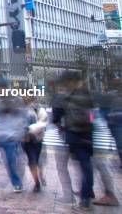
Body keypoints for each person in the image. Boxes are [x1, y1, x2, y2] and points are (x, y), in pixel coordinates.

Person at [52, 72, 94, 210]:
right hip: (87, 134)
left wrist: (61, 127)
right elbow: (93, 114)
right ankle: (87, 195)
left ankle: (77, 198)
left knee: (64, 166)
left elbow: (56, 118)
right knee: (86, 166)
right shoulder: (87, 94)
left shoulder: (65, 97)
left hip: (73, 135)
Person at [0, 97, 27, 193]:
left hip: (12, 137)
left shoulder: (16, 101)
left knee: (12, 160)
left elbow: (22, 117)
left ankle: (17, 183)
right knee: (8, 162)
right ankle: (17, 181)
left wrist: (20, 132)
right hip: (1, 137)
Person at [22, 97, 47, 192]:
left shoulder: (39, 109)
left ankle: (40, 174)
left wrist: (29, 129)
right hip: (27, 140)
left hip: (37, 139)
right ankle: (37, 183)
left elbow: (42, 123)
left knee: (36, 160)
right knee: (32, 161)